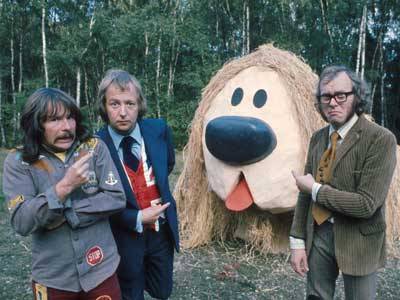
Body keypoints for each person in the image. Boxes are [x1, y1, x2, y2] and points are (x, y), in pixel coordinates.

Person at [3, 88, 126, 300]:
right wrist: (65, 187)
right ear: (36, 124)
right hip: (53, 278)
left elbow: (116, 198)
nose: (67, 127)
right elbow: (22, 222)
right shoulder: (18, 161)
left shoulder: (94, 148)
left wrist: (65, 211)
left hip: (101, 269)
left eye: (70, 117)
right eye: (54, 120)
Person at [290, 65, 397, 300]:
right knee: (316, 297)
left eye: (341, 95)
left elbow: (366, 204)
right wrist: (297, 241)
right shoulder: (318, 138)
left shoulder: (380, 139)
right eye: (326, 96)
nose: (332, 102)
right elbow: (304, 193)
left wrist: (315, 189)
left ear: (356, 96)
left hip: (359, 240)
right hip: (318, 234)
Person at [96, 69, 179, 300]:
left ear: (139, 104)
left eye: (130, 103)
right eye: (114, 104)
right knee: (131, 291)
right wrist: (136, 217)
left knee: (163, 290)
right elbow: (96, 200)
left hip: (161, 232)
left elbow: (168, 164)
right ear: (104, 106)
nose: (123, 112)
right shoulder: (95, 145)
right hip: (123, 234)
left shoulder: (159, 130)